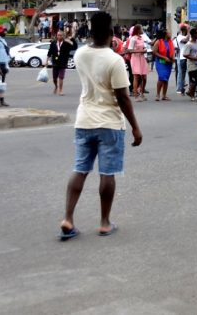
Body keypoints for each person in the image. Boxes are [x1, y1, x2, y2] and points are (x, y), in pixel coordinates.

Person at [58, 12, 143, 241]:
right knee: (107, 173)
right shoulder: (114, 60)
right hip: (109, 123)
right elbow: (123, 98)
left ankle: (68, 218)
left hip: (84, 120)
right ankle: (104, 223)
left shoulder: (81, 54)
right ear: (111, 33)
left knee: (80, 169)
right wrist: (135, 127)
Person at [47, 30, 78, 96]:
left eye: (60, 35)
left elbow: (75, 47)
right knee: (54, 79)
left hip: (63, 63)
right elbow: (49, 52)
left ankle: (60, 90)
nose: (59, 36)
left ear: (63, 36)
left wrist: (72, 39)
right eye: (58, 35)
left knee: (61, 77)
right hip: (55, 62)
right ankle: (56, 86)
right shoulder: (53, 43)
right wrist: (46, 61)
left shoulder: (66, 43)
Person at [126, 25, 149, 101]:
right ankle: (136, 95)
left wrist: (144, 49)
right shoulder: (133, 38)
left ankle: (142, 93)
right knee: (136, 76)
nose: (143, 30)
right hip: (135, 58)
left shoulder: (142, 38)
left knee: (144, 77)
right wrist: (140, 51)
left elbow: (143, 47)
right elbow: (129, 50)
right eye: (141, 29)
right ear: (138, 30)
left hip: (142, 58)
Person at [151, 27, 175, 101]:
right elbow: (154, 52)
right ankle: (157, 94)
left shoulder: (170, 42)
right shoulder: (159, 41)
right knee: (161, 77)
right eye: (169, 33)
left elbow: (172, 51)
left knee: (166, 79)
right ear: (165, 34)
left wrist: (172, 58)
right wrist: (164, 57)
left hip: (168, 62)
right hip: (160, 62)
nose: (170, 34)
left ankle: (164, 95)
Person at [184, 28, 197, 102]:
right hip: (192, 65)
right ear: (193, 34)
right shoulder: (189, 44)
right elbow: (185, 55)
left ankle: (189, 91)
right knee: (193, 81)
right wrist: (195, 58)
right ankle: (192, 95)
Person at [174, 24, 189, 95]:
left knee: (187, 73)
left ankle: (185, 88)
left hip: (188, 57)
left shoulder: (187, 36)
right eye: (186, 30)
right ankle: (180, 88)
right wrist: (189, 31)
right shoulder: (179, 37)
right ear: (184, 30)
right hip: (182, 57)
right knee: (181, 74)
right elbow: (185, 40)